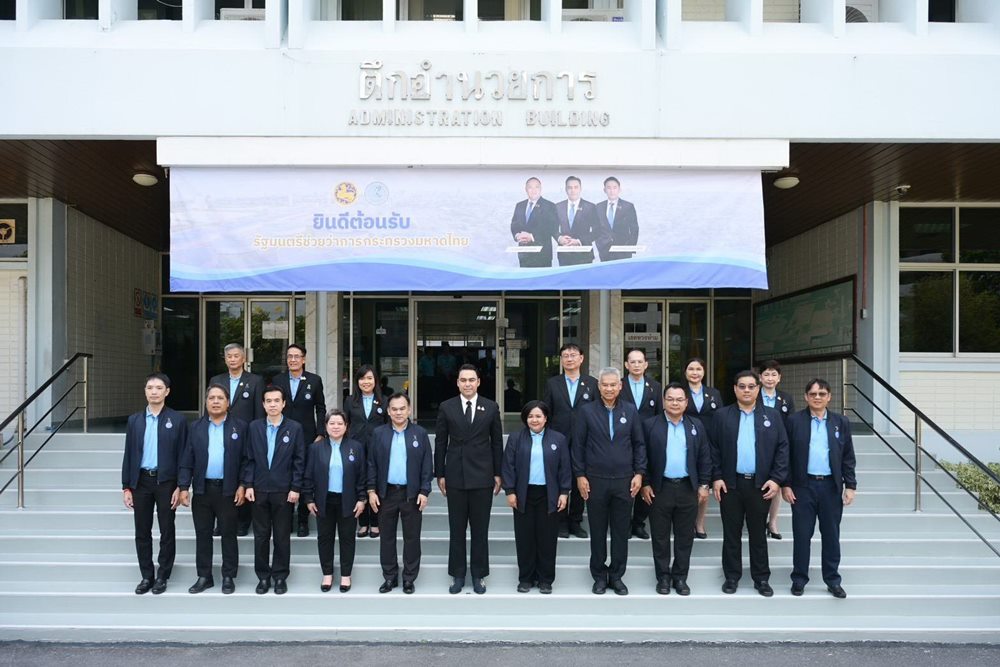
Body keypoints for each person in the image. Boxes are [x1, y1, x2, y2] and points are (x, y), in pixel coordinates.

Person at [710, 370, 789, 597]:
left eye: (751, 387)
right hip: (730, 485)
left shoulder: (772, 416)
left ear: (758, 389)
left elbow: (782, 449)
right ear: (735, 389)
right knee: (731, 534)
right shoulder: (722, 416)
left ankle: (761, 578)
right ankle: (731, 577)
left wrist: (776, 479)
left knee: (758, 534)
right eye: (742, 386)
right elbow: (713, 449)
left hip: (760, 485)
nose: (746, 390)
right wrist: (716, 477)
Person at [572, 367, 646, 596]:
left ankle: (616, 575)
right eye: (605, 384)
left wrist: (639, 473)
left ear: (620, 386)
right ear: (599, 386)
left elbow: (639, 444)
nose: (609, 388)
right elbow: (578, 446)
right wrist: (580, 475)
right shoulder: (586, 411)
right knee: (597, 531)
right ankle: (599, 576)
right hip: (595, 481)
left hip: (625, 481)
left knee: (621, 531)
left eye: (613, 384)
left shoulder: (630, 411)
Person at [783, 378, 857, 598]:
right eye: (813, 394)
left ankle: (832, 580)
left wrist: (850, 485)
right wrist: (786, 484)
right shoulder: (794, 421)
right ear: (806, 397)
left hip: (830, 487)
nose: (817, 397)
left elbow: (848, 456)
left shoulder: (840, 422)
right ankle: (799, 579)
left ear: (829, 397)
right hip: (802, 486)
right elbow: (785, 455)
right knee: (802, 535)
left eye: (822, 394)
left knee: (831, 536)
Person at [434, 364, 504, 595]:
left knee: (480, 530)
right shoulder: (447, 407)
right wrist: (440, 473)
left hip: (483, 476)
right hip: (455, 475)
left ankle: (478, 575)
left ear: (478, 382)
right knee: (457, 529)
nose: (467, 384)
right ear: (457, 383)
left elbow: (497, 443)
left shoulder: (491, 407)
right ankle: (458, 574)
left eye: (471, 380)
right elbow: (440, 442)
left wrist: (498, 473)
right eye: (463, 380)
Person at [640, 383, 711, 596]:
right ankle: (663, 577)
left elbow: (704, 456)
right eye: (670, 399)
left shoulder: (696, 425)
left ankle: (680, 577)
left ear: (686, 402)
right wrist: (645, 483)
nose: (675, 403)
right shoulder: (650, 425)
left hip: (688, 488)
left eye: (679, 399)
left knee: (684, 536)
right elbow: (642, 457)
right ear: (663, 401)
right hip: (659, 488)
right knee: (660, 536)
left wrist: (704, 484)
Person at [177, 384, 248, 595]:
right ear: (206, 402)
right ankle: (204, 576)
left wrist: (243, 484)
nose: (215, 402)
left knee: (228, 534)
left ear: (228, 402)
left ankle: (228, 576)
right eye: (211, 398)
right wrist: (183, 487)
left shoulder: (240, 427)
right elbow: (186, 459)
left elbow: (247, 460)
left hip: (228, 490)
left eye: (220, 398)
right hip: (202, 490)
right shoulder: (195, 427)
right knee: (203, 535)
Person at [121, 373, 188, 595]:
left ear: (167, 392)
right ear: (145, 391)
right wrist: (126, 486)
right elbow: (129, 454)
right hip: (141, 482)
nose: (154, 392)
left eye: (159, 388)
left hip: (166, 482)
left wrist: (181, 485)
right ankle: (146, 576)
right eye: (150, 387)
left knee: (167, 530)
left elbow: (184, 455)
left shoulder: (177, 420)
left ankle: (163, 576)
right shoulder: (135, 420)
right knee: (142, 530)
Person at [502, 400, 572, 594]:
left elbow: (565, 468)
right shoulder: (516, 438)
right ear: (525, 418)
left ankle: (545, 579)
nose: (534, 420)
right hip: (523, 494)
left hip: (549, 494)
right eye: (530, 416)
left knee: (547, 538)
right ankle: (525, 578)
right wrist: (510, 491)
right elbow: (508, 466)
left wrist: (564, 492)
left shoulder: (558, 439)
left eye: (538, 416)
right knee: (524, 538)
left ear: (546, 418)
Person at [367, 393, 433, 594]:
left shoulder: (420, 433)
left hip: (411, 494)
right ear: (388, 411)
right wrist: (371, 490)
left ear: (409, 410)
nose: (398, 412)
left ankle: (409, 578)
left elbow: (427, 465)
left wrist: (424, 491)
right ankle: (390, 577)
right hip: (385, 494)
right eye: (394, 409)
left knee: (412, 538)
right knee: (386, 538)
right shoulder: (379, 433)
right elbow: (371, 464)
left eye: (402, 408)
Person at [243, 386, 305, 595]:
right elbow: (249, 458)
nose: (272, 405)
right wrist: (248, 484)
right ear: (263, 404)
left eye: (276, 401)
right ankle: (263, 577)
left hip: (284, 490)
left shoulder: (294, 428)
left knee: (281, 536)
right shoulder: (254, 427)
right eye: (268, 401)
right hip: (259, 489)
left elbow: (299, 460)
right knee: (261, 536)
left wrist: (296, 487)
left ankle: (279, 576)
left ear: (283, 403)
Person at [303, 409, 366, 593]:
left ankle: (346, 575)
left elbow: (362, 476)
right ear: (326, 426)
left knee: (347, 538)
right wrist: (308, 498)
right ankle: (327, 573)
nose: (336, 427)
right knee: (325, 538)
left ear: (346, 426)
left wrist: (362, 499)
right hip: (324, 500)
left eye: (340, 423)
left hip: (348, 500)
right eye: (332, 423)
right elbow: (308, 476)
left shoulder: (356, 447)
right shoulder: (315, 448)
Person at [542, 343, 598, 539]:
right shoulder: (552, 383)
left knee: (579, 479)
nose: (569, 359)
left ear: (581, 359)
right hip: (558, 438)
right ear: (561, 360)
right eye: (565, 355)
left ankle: (575, 521)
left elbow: (596, 412)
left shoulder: (592, 383)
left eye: (573, 355)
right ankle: (561, 521)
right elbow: (546, 411)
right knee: (560, 479)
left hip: (584, 440)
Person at [270, 343, 326, 537]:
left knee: (304, 475)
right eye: (289, 356)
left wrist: (321, 433)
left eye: (296, 356)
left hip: (307, 435)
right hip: (282, 434)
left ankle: (302, 520)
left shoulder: (314, 380)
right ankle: (286, 519)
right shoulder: (278, 380)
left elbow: (320, 407)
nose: (292, 360)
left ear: (303, 359)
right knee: (284, 473)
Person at [208, 343, 263, 537]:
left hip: (245, 436)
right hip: (220, 433)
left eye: (236, 356)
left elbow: (258, 412)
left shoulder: (255, 381)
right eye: (229, 356)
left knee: (243, 475)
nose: (232, 359)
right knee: (222, 476)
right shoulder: (216, 380)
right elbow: (210, 405)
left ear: (243, 358)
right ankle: (220, 521)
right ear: (225, 359)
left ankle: (242, 520)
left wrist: (256, 436)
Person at [346, 364, 389, 539]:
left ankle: (376, 523)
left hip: (378, 448)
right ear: (357, 381)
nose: (366, 382)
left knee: (376, 484)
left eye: (369, 378)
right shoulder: (350, 401)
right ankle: (363, 522)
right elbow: (346, 423)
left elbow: (388, 425)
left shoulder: (384, 400)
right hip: (356, 448)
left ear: (375, 381)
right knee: (360, 484)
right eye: (362, 378)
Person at [683, 357, 724, 539]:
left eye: (698, 369)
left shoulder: (713, 393)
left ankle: (699, 523)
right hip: (685, 444)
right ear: (685, 372)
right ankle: (687, 521)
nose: (695, 373)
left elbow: (720, 419)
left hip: (708, 445)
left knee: (704, 484)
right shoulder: (680, 392)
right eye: (691, 369)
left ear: (704, 372)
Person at [624, 349, 662, 540]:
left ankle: (638, 522)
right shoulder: (619, 385)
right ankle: (623, 523)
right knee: (625, 483)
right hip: (623, 441)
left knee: (647, 481)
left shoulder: (655, 386)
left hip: (648, 442)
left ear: (646, 364)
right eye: (633, 362)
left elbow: (659, 415)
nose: (636, 365)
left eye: (640, 362)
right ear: (626, 365)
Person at [757, 359, 796, 540]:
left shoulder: (786, 398)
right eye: (766, 374)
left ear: (779, 378)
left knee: (777, 484)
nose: (770, 378)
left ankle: (772, 522)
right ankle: (758, 520)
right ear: (760, 377)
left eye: (774, 375)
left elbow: (791, 423)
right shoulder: (753, 394)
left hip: (778, 446)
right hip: (758, 445)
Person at [554, 175, 603, 266]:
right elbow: (552, 228)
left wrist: (579, 241)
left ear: (580, 189)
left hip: (584, 255)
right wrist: (559, 238)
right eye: (570, 188)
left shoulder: (590, 207)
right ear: (566, 189)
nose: (573, 190)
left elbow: (597, 230)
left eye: (576, 187)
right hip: (564, 254)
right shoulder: (558, 207)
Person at [510, 176, 558, 268]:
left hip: (542, 255)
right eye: (530, 187)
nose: (533, 190)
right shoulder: (520, 205)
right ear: (526, 189)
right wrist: (517, 235)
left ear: (541, 189)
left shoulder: (549, 206)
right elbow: (514, 224)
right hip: (524, 255)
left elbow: (552, 228)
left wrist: (532, 237)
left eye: (536, 187)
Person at [594, 176, 639, 261]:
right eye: (609, 188)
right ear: (604, 190)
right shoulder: (598, 207)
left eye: (615, 188)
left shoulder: (628, 206)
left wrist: (630, 248)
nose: (612, 191)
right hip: (604, 250)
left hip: (623, 250)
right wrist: (600, 244)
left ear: (619, 189)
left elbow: (634, 229)